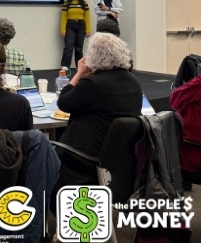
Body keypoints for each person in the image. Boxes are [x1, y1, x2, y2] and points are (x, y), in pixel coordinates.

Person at [52, 33, 142, 202]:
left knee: (44, 154)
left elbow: (64, 102)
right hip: (121, 158)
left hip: (85, 158)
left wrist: (79, 73)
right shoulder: (134, 81)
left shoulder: (93, 84)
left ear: (94, 56)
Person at [60, 0, 91, 68]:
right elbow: (63, 17)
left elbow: (87, 17)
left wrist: (88, 30)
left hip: (81, 26)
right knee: (68, 47)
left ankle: (79, 66)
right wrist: (63, 30)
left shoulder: (84, 3)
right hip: (70, 26)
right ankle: (65, 66)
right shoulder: (67, 4)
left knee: (79, 48)